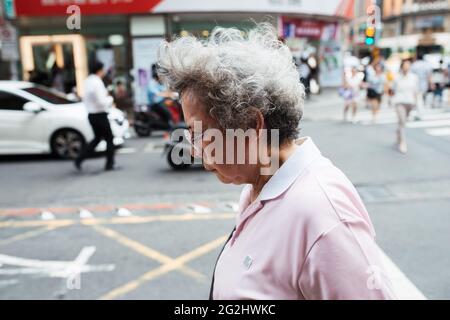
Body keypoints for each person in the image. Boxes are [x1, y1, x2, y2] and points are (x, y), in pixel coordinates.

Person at [157, 23, 396, 300]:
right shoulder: (260, 184)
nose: (195, 151)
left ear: (251, 124)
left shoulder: (322, 214)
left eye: (200, 134)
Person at [74, 61, 118, 171]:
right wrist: (110, 99)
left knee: (97, 139)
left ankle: (80, 158)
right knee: (109, 138)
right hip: (100, 114)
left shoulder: (88, 81)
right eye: (103, 69)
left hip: (92, 114)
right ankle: (109, 163)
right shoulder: (97, 82)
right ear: (100, 70)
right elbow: (101, 101)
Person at [391, 60, 420, 154]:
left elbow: (415, 91)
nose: (406, 68)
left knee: (403, 122)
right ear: (402, 67)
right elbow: (392, 90)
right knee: (402, 121)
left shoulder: (414, 77)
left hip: (410, 102)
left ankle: (398, 132)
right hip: (399, 101)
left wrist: (416, 103)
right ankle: (403, 142)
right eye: (405, 66)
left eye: (408, 66)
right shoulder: (397, 77)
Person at [147, 64, 177, 128]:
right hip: (155, 103)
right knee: (168, 112)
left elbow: (166, 90)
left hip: (162, 101)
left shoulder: (159, 82)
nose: (161, 76)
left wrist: (172, 93)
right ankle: (170, 124)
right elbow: (158, 93)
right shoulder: (151, 83)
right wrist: (168, 94)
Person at [411, 53, 433, 118]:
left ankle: (420, 110)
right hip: (424, 83)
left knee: (418, 98)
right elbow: (429, 75)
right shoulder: (427, 64)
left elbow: (411, 75)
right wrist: (430, 83)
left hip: (416, 83)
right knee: (421, 97)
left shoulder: (414, 65)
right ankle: (421, 109)